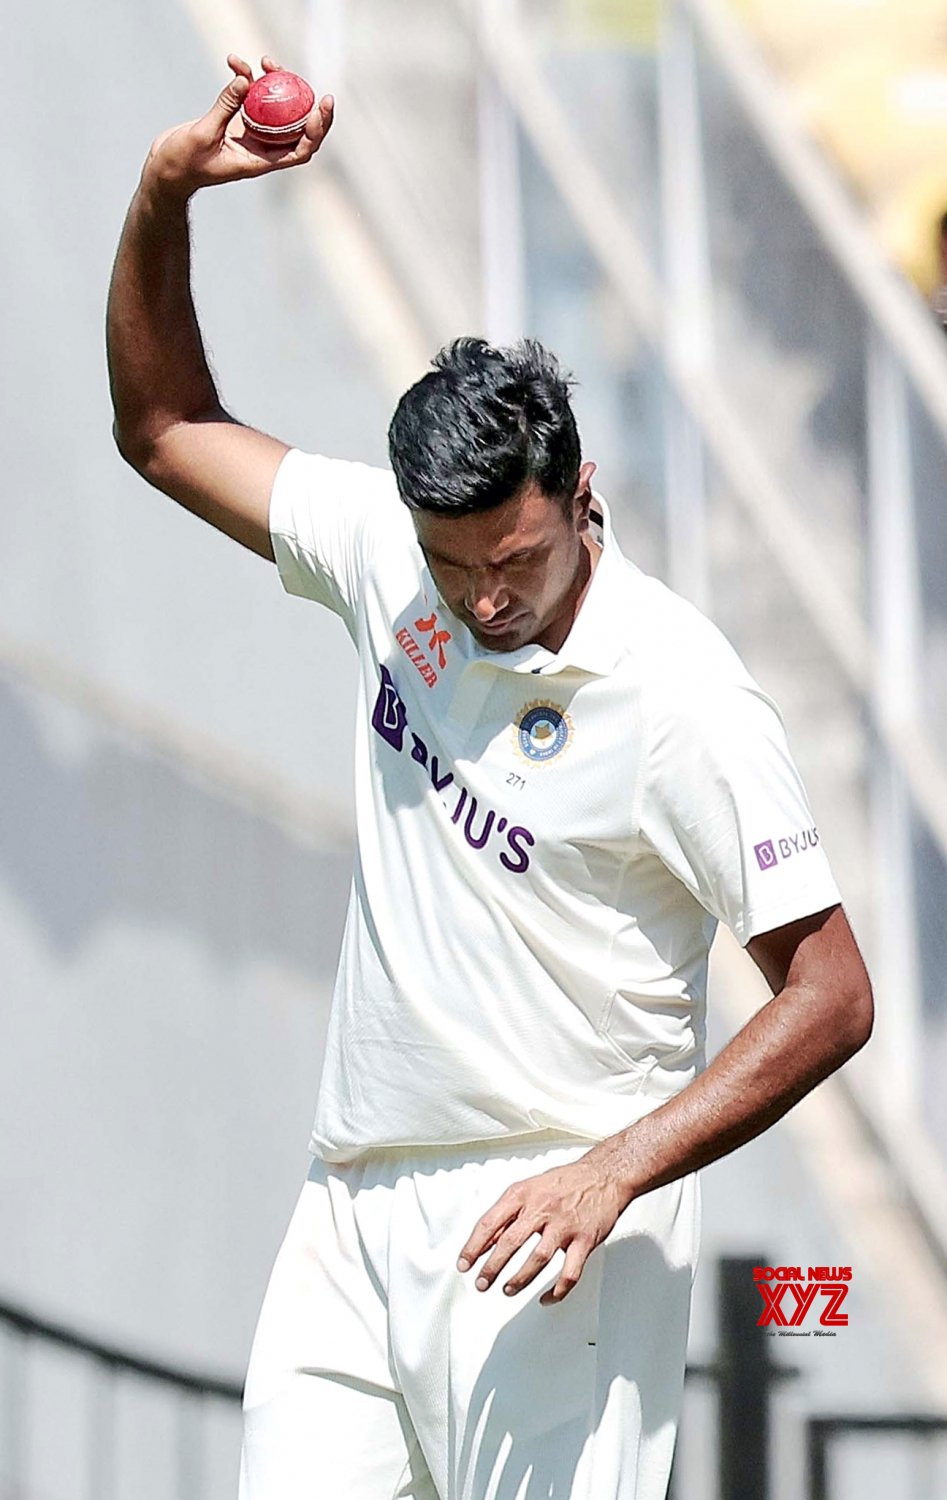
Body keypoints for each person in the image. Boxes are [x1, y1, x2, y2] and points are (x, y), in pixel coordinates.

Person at [106, 54, 874, 1500]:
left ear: (583, 496)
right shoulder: (398, 554)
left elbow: (833, 996)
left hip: (560, 1219)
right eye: (456, 570)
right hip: (351, 1205)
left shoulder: (686, 698)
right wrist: (160, 196)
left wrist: (619, 1171)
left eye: (514, 562)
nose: (485, 603)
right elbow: (161, 430)